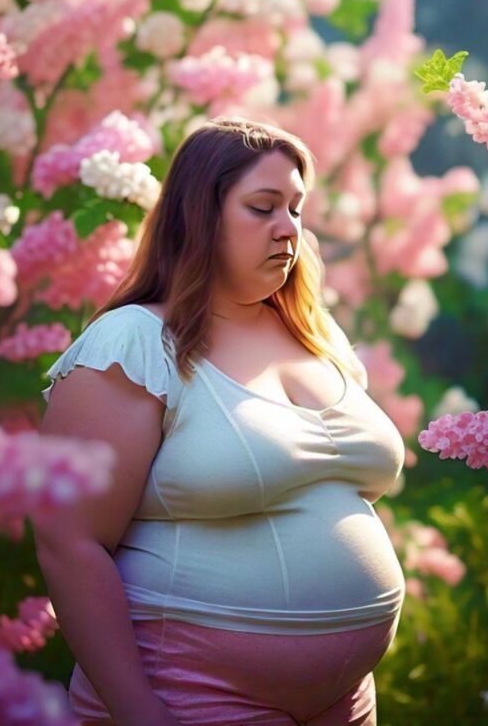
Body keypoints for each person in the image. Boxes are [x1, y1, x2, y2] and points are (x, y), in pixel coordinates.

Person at [35, 116, 407, 726]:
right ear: (198, 217)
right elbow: (68, 541)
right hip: (189, 693)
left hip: (345, 701)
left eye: (295, 208)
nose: (287, 229)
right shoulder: (134, 342)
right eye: (262, 208)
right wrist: (138, 711)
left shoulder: (313, 334)